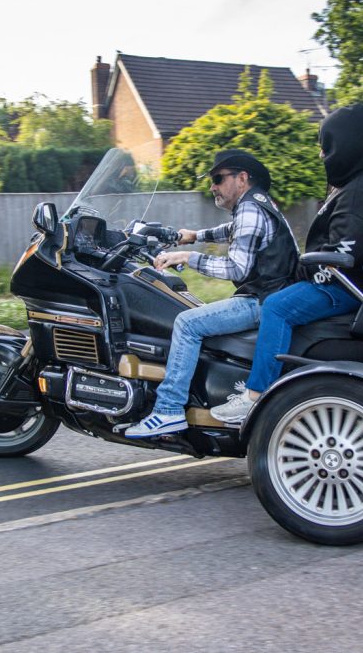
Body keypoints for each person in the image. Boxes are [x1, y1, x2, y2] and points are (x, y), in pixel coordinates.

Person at [210, 104, 363, 423]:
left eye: (325, 146)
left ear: (344, 144)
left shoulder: (360, 193)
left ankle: (254, 395)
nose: (321, 155)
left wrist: (298, 270)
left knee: (276, 306)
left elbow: (342, 254)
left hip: (346, 284)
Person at [125, 149, 299, 438]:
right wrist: (194, 235)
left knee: (186, 322)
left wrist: (187, 257)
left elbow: (236, 270)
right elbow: (231, 230)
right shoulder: (256, 204)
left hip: (261, 300)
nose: (212, 186)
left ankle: (168, 410)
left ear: (241, 178)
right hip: (268, 293)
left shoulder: (250, 210)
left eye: (218, 178)